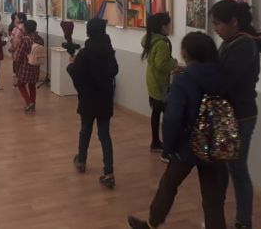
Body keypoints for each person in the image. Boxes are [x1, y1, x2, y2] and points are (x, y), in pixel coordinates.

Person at [127, 32, 228, 229]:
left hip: (187, 144)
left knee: (169, 184)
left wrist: (168, 147)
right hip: (215, 143)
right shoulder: (221, 75)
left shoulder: (184, 79)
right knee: (212, 197)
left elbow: (173, 118)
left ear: (186, 53)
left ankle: (152, 224)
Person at [209, 0, 261, 229]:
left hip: (240, 116)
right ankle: (218, 216)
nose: (215, 29)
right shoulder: (231, 41)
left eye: (218, 23)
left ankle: (244, 222)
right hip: (229, 114)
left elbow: (224, 79)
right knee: (227, 168)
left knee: (237, 170)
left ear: (234, 22)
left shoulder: (243, 45)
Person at [67, 18, 119, 189]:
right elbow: (114, 70)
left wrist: (71, 66)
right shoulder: (109, 51)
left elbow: (78, 75)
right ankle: (109, 172)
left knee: (85, 130)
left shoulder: (85, 53)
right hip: (104, 98)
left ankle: (81, 160)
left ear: (89, 32)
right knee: (105, 135)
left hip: (89, 98)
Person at [141, 13, 178, 158]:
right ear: (163, 27)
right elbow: (161, 65)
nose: (170, 27)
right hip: (159, 82)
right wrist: (174, 62)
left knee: (156, 112)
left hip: (152, 79)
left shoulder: (150, 38)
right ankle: (167, 147)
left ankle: (155, 142)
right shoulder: (162, 43)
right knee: (169, 116)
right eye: (169, 24)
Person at [14, 19, 44, 113]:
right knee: (32, 85)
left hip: (25, 66)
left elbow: (19, 55)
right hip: (36, 66)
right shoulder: (40, 39)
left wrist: (16, 65)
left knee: (20, 84)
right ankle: (33, 104)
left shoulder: (25, 39)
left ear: (26, 28)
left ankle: (29, 103)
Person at [9, 12, 27, 80]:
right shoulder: (17, 27)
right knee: (18, 64)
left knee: (19, 64)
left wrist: (13, 48)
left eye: (16, 18)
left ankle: (20, 79)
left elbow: (16, 40)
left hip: (19, 49)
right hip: (18, 49)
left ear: (21, 19)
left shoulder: (20, 28)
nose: (14, 19)